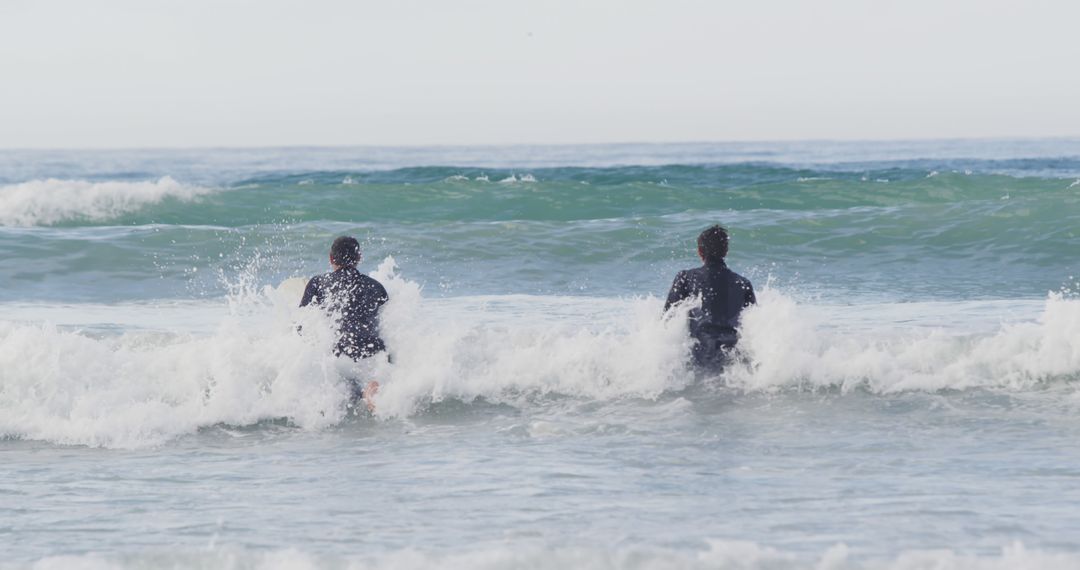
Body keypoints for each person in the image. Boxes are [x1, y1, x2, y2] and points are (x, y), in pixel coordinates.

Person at [300, 236, 388, 411]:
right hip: (372, 353)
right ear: (359, 258)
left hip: (341, 354)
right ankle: (371, 389)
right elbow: (386, 322)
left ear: (331, 258)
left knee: (345, 383)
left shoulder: (318, 283)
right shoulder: (377, 287)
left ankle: (350, 394)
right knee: (377, 366)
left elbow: (303, 324)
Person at [663, 225, 756, 370]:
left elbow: (667, 319)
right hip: (733, 361)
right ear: (726, 252)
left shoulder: (685, 278)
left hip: (700, 357)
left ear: (700, 251)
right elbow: (753, 326)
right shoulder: (743, 283)